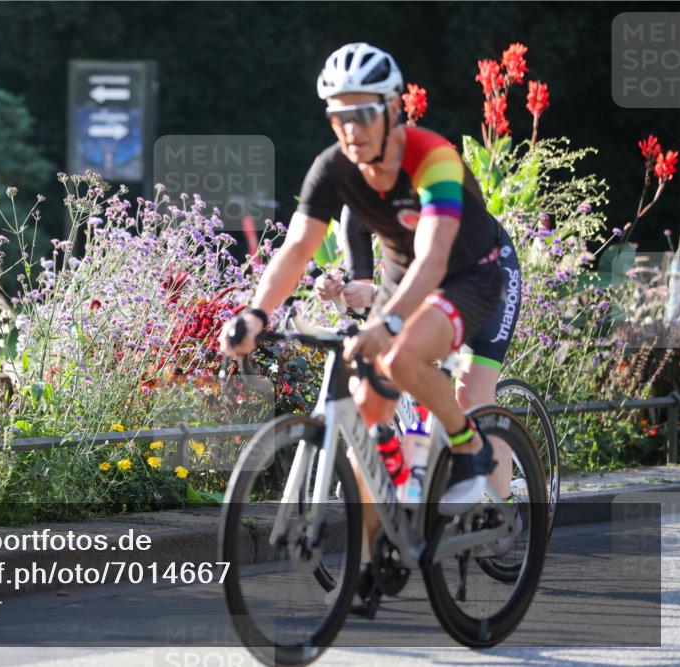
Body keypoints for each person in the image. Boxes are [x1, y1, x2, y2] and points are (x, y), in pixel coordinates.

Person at [219, 41, 505, 518]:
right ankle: (372, 562)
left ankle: (469, 447)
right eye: (338, 116)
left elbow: (434, 260)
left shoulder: (431, 158)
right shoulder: (333, 169)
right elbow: (295, 251)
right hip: (405, 272)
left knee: (423, 366)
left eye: (364, 114)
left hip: (469, 270)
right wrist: (256, 313)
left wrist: (387, 324)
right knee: (365, 408)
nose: (350, 129)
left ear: (394, 109)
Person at [316, 205, 523, 505]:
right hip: (428, 290)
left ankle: (503, 508)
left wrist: (377, 296)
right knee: (383, 370)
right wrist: (341, 291)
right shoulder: (357, 211)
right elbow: (366, 302)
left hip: (485, 278)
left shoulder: (426, 192)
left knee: (472, 396)